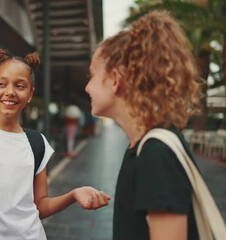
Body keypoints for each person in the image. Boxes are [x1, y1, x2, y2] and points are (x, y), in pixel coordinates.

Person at [0, 48, 111, 240]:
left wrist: (73, 195)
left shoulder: (37, 143)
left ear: (30, 93)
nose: (10, 92)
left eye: (20, 86)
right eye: (2, 84)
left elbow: (40, 206)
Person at [85, 10, 203, 240]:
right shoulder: (143, 147)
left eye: (92, 76)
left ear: (116, 80)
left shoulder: (156, 155)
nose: (87, 87)